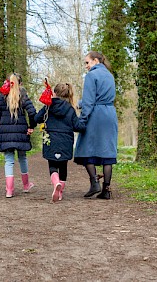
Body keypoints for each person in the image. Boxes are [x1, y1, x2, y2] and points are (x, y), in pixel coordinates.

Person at [74, 51, 118, 199]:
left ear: (95, 61)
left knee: (85, 148)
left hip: (95, 115)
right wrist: (77, 103)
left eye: (87, 62)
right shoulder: (109, 76)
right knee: (107, 151)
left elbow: (89, 101)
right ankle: (106, 189)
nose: (86, 66)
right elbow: (101, 97)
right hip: (110, 114)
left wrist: (82, 120)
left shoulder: (91, 76)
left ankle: (94, 183)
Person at [34, 83, 85, 203]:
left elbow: (37, 119)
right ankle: (60, 192)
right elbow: (78, 126)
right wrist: (84, 119)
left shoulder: (48, 107)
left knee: (52, 165)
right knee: (63, 166)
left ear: (54, 93)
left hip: (50, 139)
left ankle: (55, 182)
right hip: (65, 141)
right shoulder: (70, 109)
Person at [0, 73, 37, 198]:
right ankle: (26, 185)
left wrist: (3, 123)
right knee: (22, 157)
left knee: (8, 160)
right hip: (21, 132)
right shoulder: (22, 95)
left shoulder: (2, 97)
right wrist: (31, 126)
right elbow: (32, 112)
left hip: (5, 133)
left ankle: (9, 190)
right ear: (20, 84)